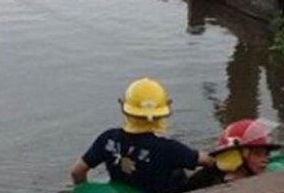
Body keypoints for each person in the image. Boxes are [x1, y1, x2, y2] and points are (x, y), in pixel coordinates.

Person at [70, 78, 213, 193]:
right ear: (165, 110)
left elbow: (77, 172)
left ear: (123, 107)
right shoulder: (170, 149)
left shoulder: (107, 138)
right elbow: (208, 161)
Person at [184, 119, 282, 191]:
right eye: (258, 153)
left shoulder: (269, 172)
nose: (265, 159)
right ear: (235, 156)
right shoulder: (211, 184)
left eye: (267, 153)